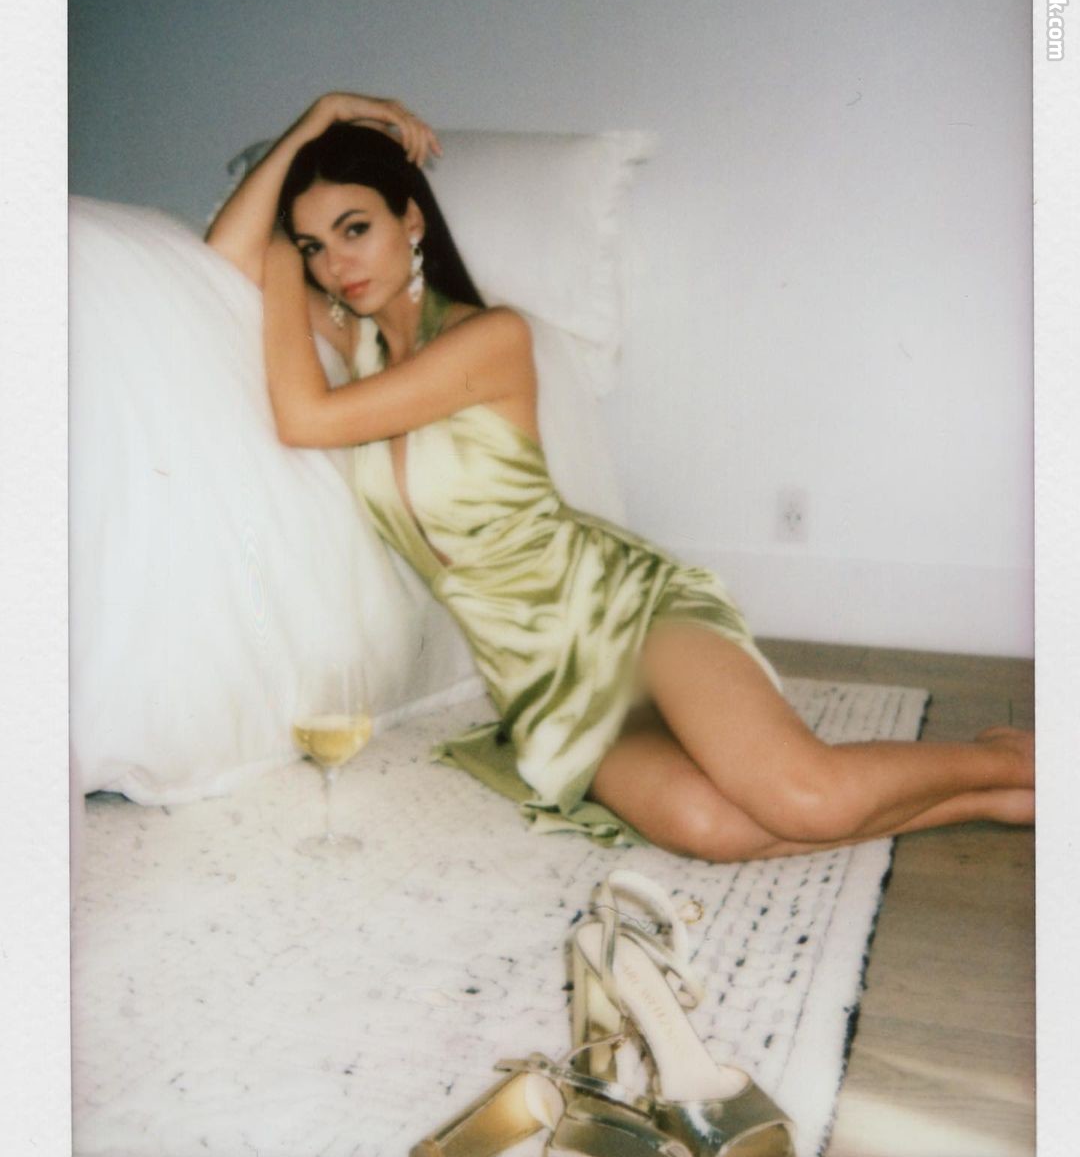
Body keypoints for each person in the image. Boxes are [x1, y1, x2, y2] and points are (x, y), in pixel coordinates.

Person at [205, 91, 1034, 862]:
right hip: (538, 680)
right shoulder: (356, 342)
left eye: (355, 229)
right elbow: (222, 256)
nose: (335, 264)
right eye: (314, 246)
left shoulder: (489, 338)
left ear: (410, 218)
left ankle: (1008, 760)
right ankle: (992, 797)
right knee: (710, 829)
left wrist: (308, 170)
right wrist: (318, 123)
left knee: (802, 798)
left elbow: (303, 418)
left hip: (622, 610)